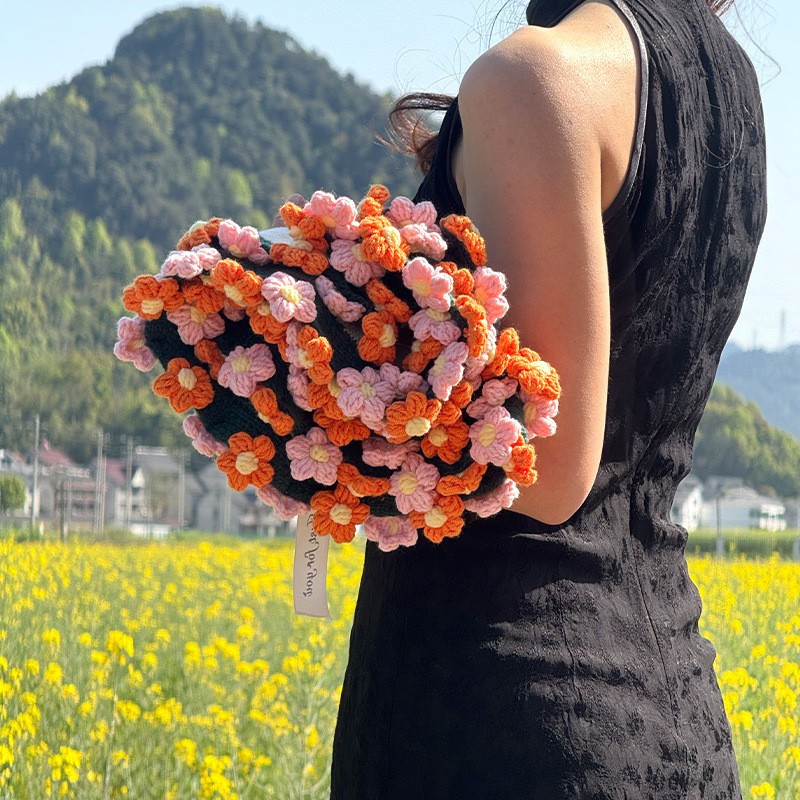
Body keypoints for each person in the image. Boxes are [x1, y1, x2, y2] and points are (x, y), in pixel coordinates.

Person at [330, 0, 767, 796]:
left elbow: (551, 468)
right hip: (673, 705)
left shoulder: (537, 76)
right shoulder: (728, 84)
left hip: (498, 710)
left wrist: (326, 408)